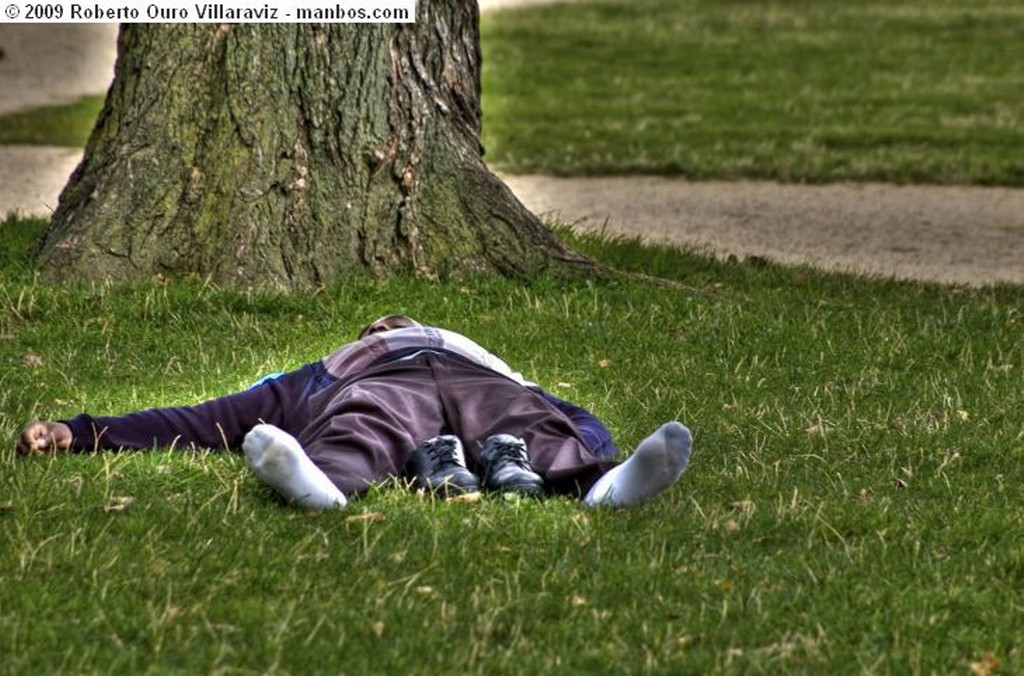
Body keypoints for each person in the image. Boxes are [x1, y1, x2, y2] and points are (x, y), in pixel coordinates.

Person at [16, 315, 693, 509]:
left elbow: (569, 413)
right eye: (380, 322)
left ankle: (611, 484)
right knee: (362, 426)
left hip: (483, 386)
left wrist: (588, 437)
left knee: (529, 424)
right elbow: (200, 420)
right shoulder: (330, 370)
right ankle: (319, 485)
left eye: (396, 320)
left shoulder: (485, 359)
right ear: (369, 335)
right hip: (378, 390)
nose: (391, 321)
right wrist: (81, 432)